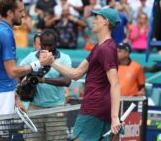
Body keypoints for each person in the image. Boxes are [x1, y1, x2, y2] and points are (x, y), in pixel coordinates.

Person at [42, 8, 122, 141]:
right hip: (99, 106)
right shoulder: (99, 47)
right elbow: (76, 73)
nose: (93, 21)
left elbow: (116, 83)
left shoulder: (105, 49)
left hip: (94, 107)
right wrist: (52, 62)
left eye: (97, 18)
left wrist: (115, 117)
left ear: (106, 22)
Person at [0, 0, 53, 116]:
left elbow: (4, 73)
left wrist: (15, 98)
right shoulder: (5, 33)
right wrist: (40, 63)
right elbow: (12, 72)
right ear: (10, 12)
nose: (23, 14)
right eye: (20, 11)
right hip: (0, 96)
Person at [20, 29, 72, 141]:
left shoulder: (64, 58)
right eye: (44, 45)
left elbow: (67, 81)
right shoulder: (31, 57)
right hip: (34, 107)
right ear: (40, 43)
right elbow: (18, 74)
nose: (47, 48)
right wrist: (25, 80)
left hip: (56, 107)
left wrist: (43, 80)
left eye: (50, 45)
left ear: (56, 43)